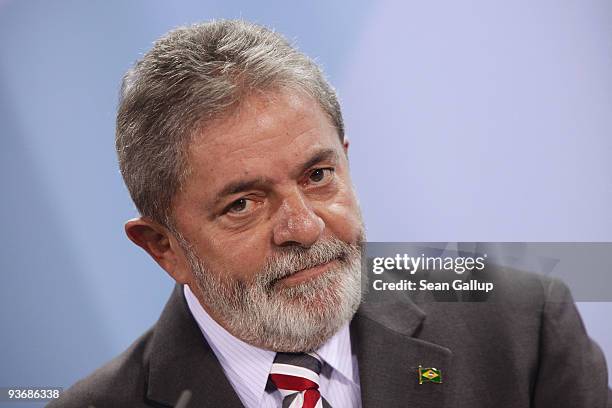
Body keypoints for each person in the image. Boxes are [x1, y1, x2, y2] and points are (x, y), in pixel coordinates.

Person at [49, 19, 610, 408]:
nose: (305, 227)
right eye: (242, 204)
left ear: (346, 158)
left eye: (318, 176)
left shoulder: (522, 327)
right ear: (162, 246)